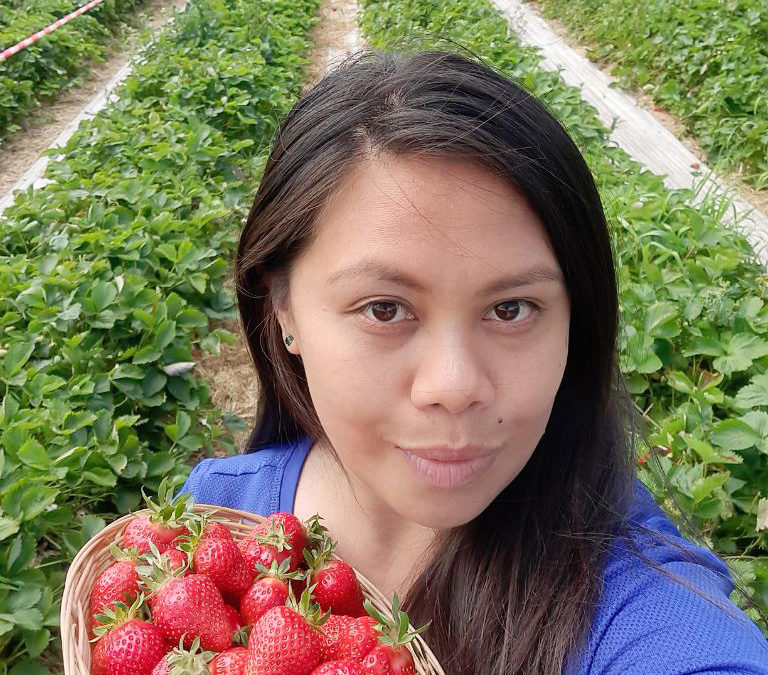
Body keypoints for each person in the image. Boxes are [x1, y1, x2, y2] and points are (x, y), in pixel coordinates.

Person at [176, 49, 768, 674]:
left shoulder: (642, 614)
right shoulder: (213, 522)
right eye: (383, 308)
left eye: (511, 309)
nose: (454, 387)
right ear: (285, 309)